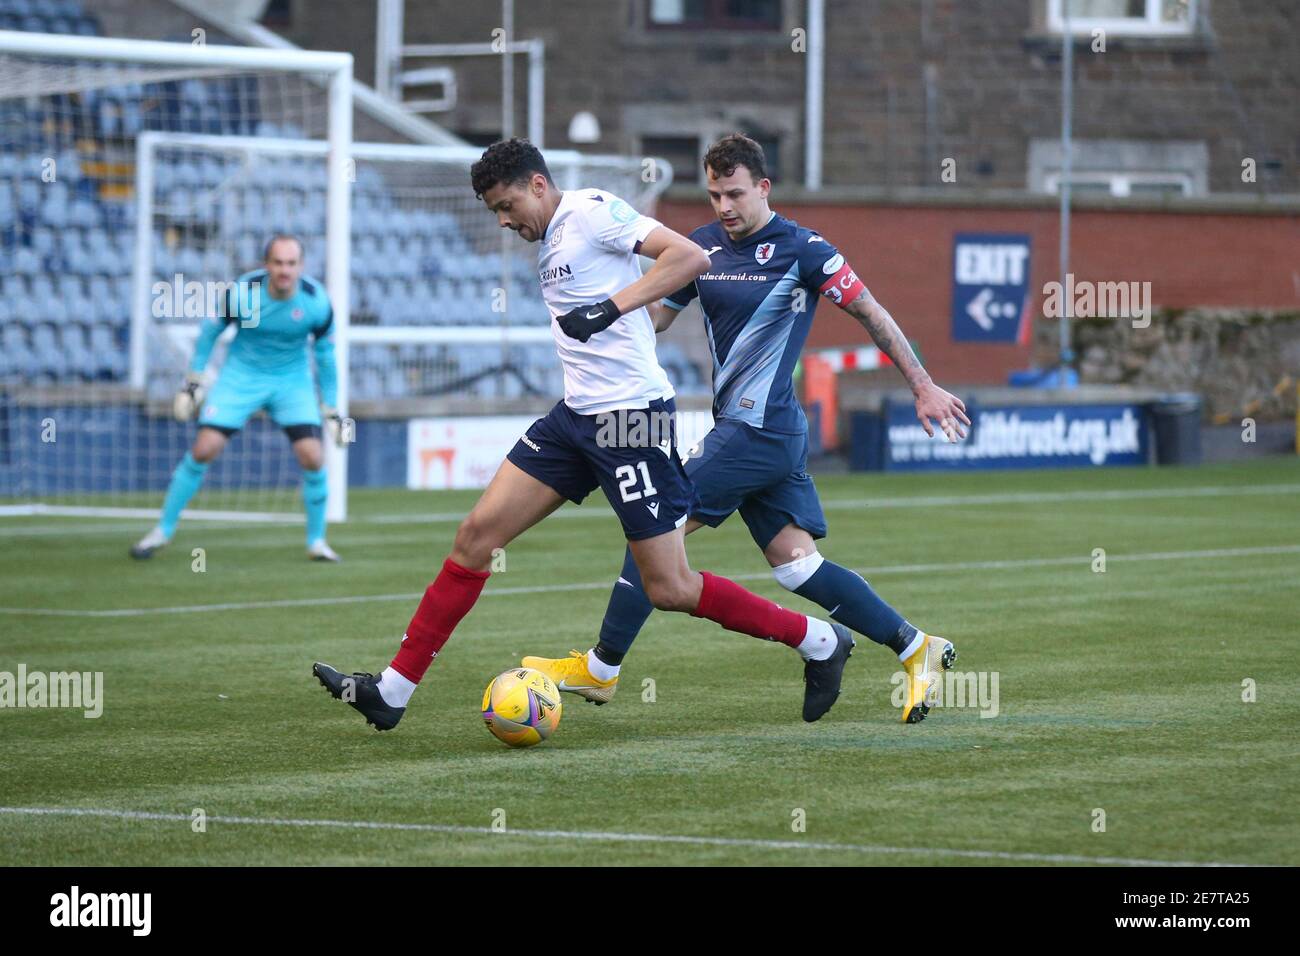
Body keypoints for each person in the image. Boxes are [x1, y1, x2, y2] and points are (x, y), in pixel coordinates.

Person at [312, 138, 854, 731]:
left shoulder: (592, 211)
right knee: (475, 537)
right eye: (494, 210)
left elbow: (688, 259)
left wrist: (610, 308)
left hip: (632, 421)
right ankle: (392, 691)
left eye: (507, 204)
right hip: (575, 419)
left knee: (670, 586)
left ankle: (818, 640)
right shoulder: (546, 238)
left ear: (538, 185)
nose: (503, 220)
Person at [521, 134, 969, 723]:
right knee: (796, 566)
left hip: (763, 431)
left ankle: (602, 669)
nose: (724, 207)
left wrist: (922, 384)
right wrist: (602, 323)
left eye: (734, 193)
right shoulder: (701, 248)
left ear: (763, 187)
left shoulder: (804, 249)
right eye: (713, 195)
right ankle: (917, 647)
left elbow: (871, 312)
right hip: (749, 430)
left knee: (657, 529)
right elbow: (653, 319)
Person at [130, 235, 344, 562]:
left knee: (313, 457)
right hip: (241, 377)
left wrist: (330, 408)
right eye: (278, 263)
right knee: (204, 449)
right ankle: (162, 530)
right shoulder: (244, 293)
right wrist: (194, 380)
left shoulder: (316, 302)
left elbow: (326, 357)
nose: (285, 270)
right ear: (266, 264)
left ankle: (317, 542)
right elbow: (210, 332)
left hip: (291, 383)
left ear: (301, 266)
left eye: (291, 263)